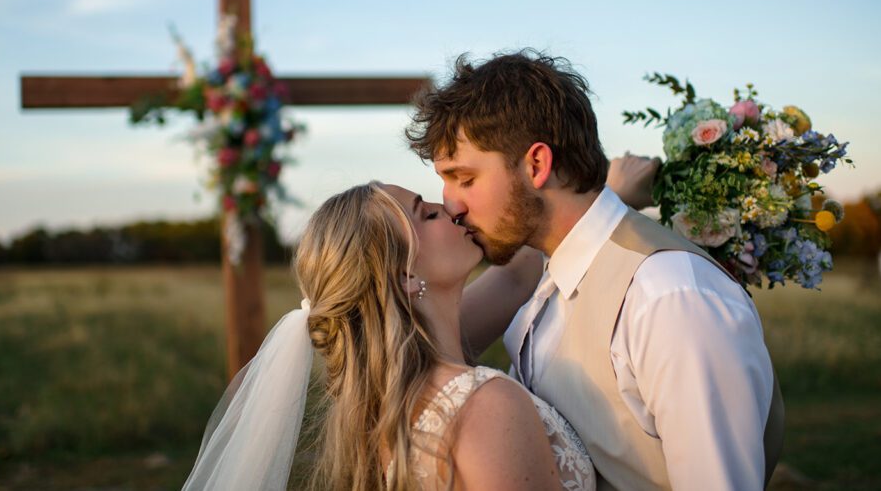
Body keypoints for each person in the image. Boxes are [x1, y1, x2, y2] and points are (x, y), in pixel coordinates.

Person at [406, 50, 785, 491]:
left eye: (464, 178)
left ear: (536, 165)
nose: (450, 204)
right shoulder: (553, 277)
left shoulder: (668, 298)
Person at [182, 167, 654, 490]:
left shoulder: (389, 392)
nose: (452, 208)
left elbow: (514, 276)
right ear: (406, 277)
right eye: (426, 214)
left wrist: (600, 202)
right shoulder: (484, 405)